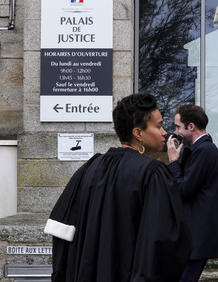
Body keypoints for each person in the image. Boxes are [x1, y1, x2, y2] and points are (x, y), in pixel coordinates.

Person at [44, 93, 192, 282]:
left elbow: (62, 233)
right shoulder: (152, 173)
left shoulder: (89, 168)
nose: (165, 132)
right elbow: (164, 242)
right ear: (138, 133)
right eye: (158, 126)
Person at [166, 104, 218, 282]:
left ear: (191, 126)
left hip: (197, 235)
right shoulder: (197, 149)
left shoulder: (204, 150)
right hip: (194, 234)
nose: (175, 131)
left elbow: (183, 190)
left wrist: (173, 163)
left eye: (178, 127)